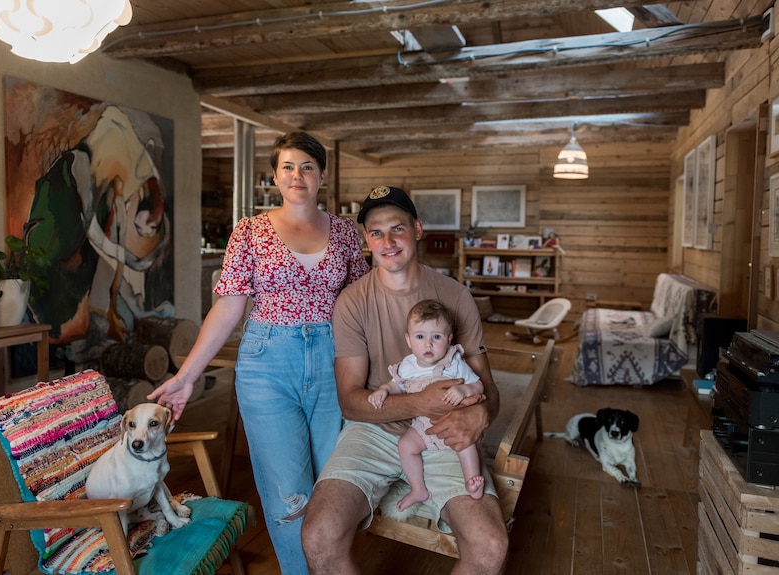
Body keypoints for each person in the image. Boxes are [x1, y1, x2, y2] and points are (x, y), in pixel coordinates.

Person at [148, 132, 369, 574]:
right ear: (275, 176)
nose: (297, 175)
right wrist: (187, 375)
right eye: (288, 166)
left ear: (322, 175)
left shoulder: (345, 232)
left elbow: (363, 304)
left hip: (334, 360)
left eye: (307, 166)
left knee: (337, 483)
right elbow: (229, 307)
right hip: (267, 362)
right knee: (288, 490)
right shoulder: (250, 231)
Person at [301, 186, 509, 574]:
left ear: (417, 229)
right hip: (373, 429)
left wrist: (480, 415)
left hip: (445, 431)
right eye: (376, 232)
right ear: (367, 239)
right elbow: (350, 400)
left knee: (490, 545)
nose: (388, 241)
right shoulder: (352, 301)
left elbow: (487, 389)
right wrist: (419, 402)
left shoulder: (454, 296)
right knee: (318, 535)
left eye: (397, 228)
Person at [368, 299, 486, 512]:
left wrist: (464, 390)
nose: (428, 344)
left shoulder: (454, 362)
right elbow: (396, 384)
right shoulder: (408, 365)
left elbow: (478, 385)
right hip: (422, 426)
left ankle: (472, 480)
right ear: (409, 340)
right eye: (420, 336)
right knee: (406, 446)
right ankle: (418, 488)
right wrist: (383, 390)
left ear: (449, 340)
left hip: (453, 423)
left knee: (466, 445)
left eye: (437, 337)